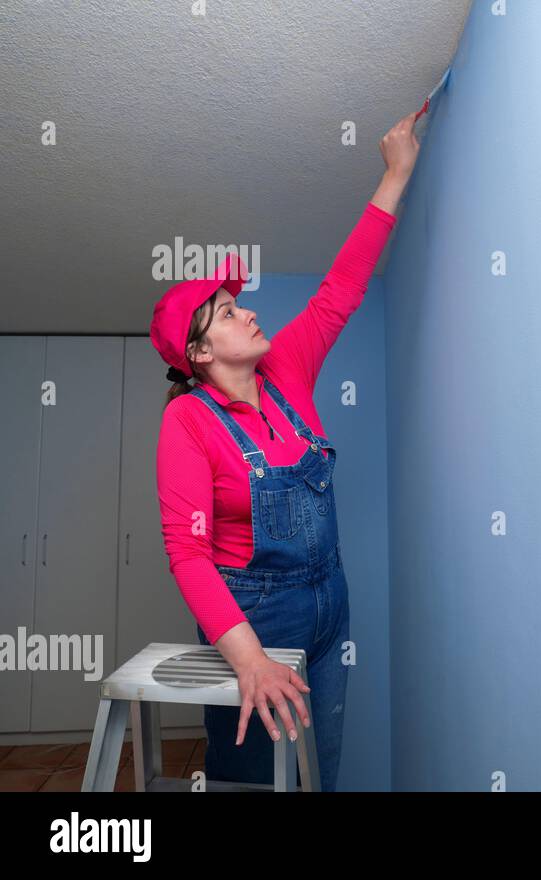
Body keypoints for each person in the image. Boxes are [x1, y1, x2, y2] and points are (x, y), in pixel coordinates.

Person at [149, 110, 420, 791]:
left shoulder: (288, 372)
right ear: (201, 353)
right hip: (256, 618)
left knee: (316, 771)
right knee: (251, 780)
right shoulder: (188, 422)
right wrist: (248, 659)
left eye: (239, 302)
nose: (247, 310)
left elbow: (340, 291)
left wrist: (395, 175)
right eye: (227, 312)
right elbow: (188, 553)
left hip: (332, 602)